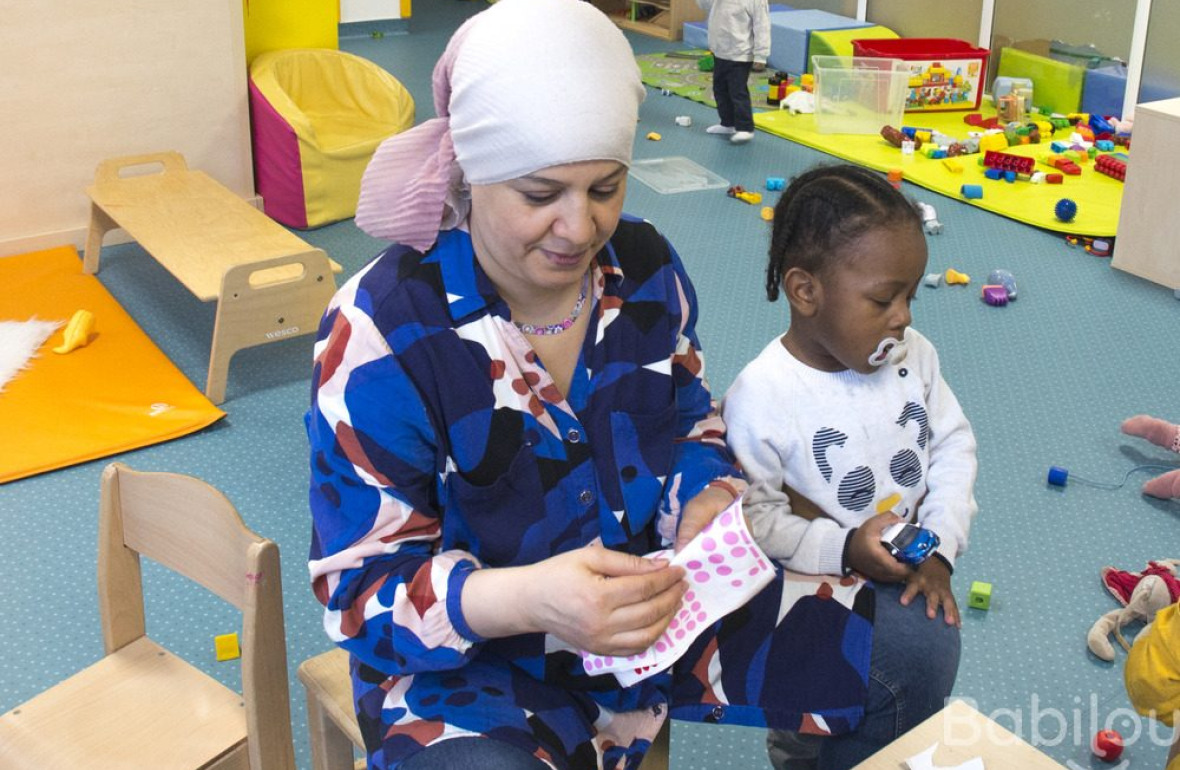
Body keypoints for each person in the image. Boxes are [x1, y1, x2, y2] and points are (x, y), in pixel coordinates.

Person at [306, 3, 874, 769]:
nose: (579, 228)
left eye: (606, 187)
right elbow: (360, 594)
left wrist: (701, 495)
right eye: (541, 196)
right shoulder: (380, 331)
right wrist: (531, 599)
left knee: (905, 644)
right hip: (473, 665)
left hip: (655, 610)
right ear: (471, 173)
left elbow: (685, 422)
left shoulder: (644, 267)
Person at [722, 164, 979, 769]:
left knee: (912, 698)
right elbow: (755, 521)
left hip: (905, 574)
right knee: (811, 741)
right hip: (812, 603)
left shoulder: (916, 357)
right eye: (883, 299)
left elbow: (952, 446)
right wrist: (841, 550)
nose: (904, 317)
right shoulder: (761, 397)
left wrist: (938, 546)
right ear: (806, 291)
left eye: (910, 296)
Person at [696, 0, 770, 145]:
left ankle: (745, 127)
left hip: (741, 54)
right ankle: (728, 123)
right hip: (720, 51)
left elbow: (762, 27)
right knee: (720, 89)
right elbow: (704, 5)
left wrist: (761, 55)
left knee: (737, 91)